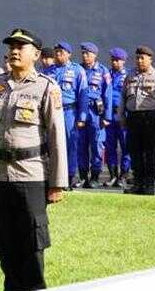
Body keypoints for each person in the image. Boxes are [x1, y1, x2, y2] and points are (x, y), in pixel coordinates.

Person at [0, 28, 67, 291]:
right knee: (3, 243)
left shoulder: (46, 87)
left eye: (22, 46)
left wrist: (57, 184)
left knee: (31, 245)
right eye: (12, 46)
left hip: (31, 177)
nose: (14, 51)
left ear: (37, 54)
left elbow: (56, 138)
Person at [121, 45, 155, 196]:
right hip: (133, 118)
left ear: (150, 59)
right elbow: (123, 98)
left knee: (150, 153)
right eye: (137, 58)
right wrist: (121, 117)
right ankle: (138, 183)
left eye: (142, 58)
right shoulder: (130, 75)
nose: (139, 61)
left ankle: (149, 184)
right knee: (135, 152)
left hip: (150, 118)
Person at [47, 41, 89, 187]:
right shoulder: (48, 71)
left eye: (62, 52)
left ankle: (70, 177)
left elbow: (83, 95)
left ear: (69, 54)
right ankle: (53, 177)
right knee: (51, 144)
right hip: (51, 111)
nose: (58, 55)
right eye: (56, 52)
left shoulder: (78, 71)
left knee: (70, 144)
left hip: (69, 112)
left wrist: (82, 117)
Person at [77, 42, 112, 188]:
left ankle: (95, 177)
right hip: (80, 111)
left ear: (95, 55)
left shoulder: (103, 71)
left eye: (88, 53)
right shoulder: (78, 70)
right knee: (81, 144)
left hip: (96, 113)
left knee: (97, 145)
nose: (85, 56)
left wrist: (107, 117)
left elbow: (108, 95)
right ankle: (83, 176)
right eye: (83, 53)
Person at [103, 47, 130, 188]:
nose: (115, 62)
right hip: (109, 115)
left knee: (126, 146)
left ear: (124, 61)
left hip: (123, 115)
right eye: (113, 60)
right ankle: (113, 176)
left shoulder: (128, 76)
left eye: (118, 60)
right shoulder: (106, 74)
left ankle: (123, 176)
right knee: (110, 147)